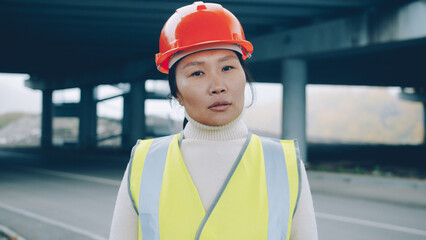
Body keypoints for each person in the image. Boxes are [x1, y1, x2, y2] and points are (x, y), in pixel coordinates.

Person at [109, 2, 318, 240]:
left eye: (228, 67)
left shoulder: (284, 163)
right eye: (197, 73)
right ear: (176, 93)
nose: (218, 86)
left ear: (244, 76)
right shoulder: (145, 163)